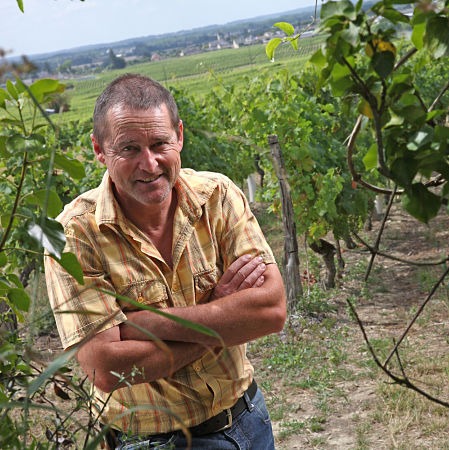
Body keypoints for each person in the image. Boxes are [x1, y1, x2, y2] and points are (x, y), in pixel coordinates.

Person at [44, 73, 286, 450]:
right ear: (99, 149)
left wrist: (148, 323)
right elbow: (106, 370)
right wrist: (224, 316)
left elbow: (271, 311)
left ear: (180, 136)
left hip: (249, 418)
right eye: (129, 149)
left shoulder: (217, 196)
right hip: (155, 442)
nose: (149, 163)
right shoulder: (75, 236)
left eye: (160, 143)